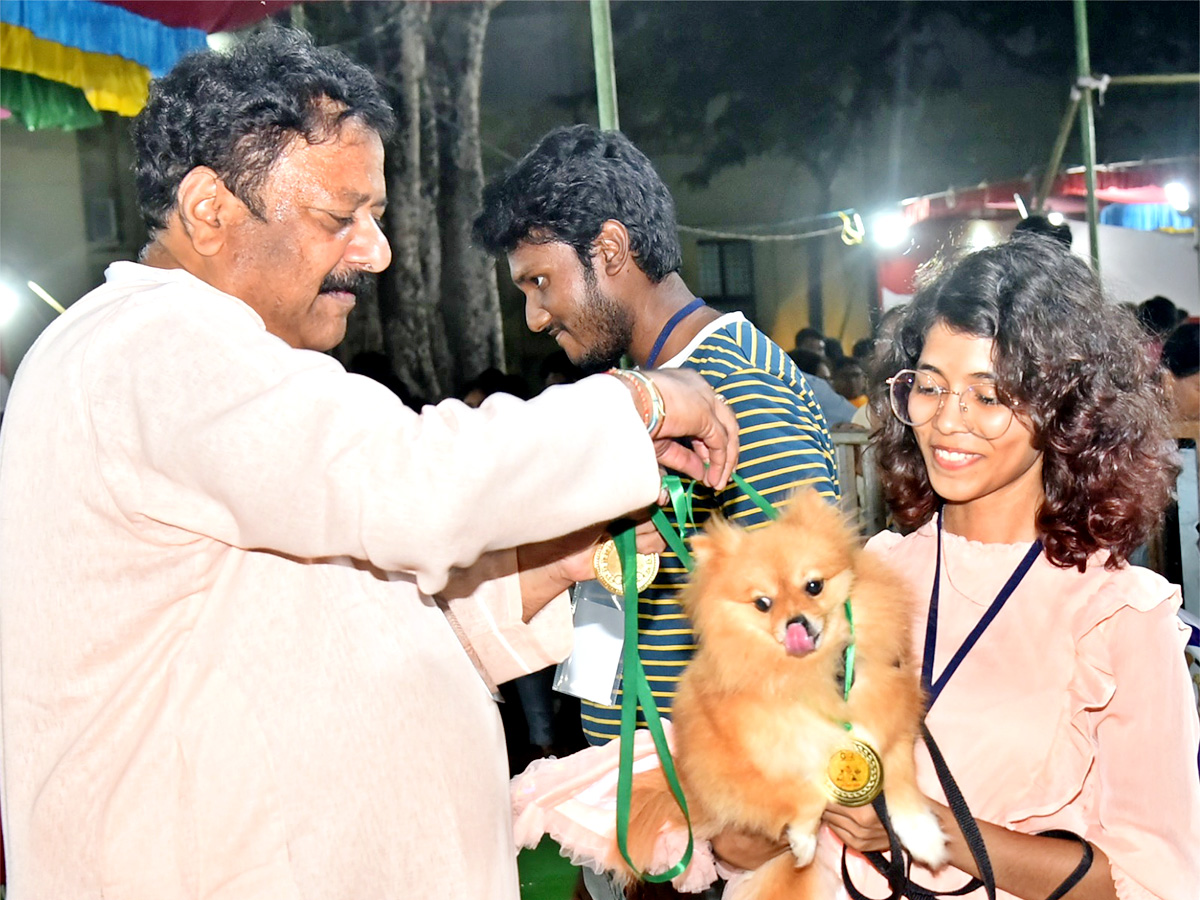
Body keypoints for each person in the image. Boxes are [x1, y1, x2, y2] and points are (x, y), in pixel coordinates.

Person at [0, 31, 741, 900]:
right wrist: (637, 404)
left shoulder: (215, 368)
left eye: (375, 217)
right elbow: (410, 483)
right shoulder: (149, 343)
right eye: (339, 218)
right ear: (209, 210)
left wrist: (547, 568)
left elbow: (336, 627)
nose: (376, 252)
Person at [474, 124, 839, 898]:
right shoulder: (660, 394)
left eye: (541, 282)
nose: (536, 316)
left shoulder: (736, 394)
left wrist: (731, 837)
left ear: (610, 251)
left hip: (708, 832)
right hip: (651, 810)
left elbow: (799, 640)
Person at [798, 234, 1200, 899]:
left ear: (1066, 410)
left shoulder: (1119, 615)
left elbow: (1154, 880)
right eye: (929, 387)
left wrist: (929, 826)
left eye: (989, 397)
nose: (948, 423)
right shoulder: (871, 574)